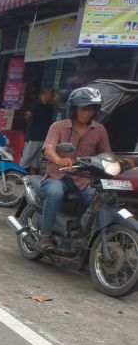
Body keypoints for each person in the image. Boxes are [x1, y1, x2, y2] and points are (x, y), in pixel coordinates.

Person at [38, 87, 110, 250]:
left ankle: (86, 238)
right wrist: (59, 159)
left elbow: (106, 154)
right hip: (57, 176)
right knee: (55, 193)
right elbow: (49, 149)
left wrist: (117, 163)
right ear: (74, 108)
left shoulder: (99, 130)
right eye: (83, 108)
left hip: (84, 179)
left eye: (91, 109)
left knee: (100, 200)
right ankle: (45, 236)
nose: (87, 112)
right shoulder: (58, 126)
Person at [19, 86, 54, 175]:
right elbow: (28, 117)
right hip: (33, 136)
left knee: (36, 162)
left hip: (43, 137)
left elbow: (49, 122)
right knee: (26, 158)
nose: (52, 96)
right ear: (45, 93)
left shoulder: (50, 107)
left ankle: (31, 179)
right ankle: (16, 176)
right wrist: (28, 116)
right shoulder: (35, 104)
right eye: (50, 93)